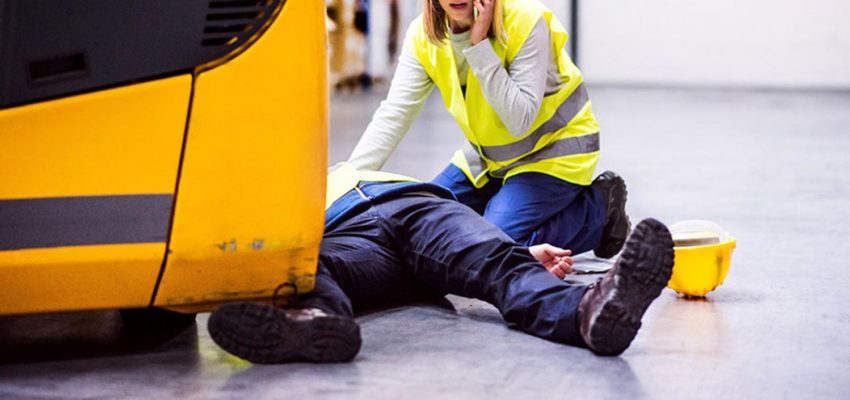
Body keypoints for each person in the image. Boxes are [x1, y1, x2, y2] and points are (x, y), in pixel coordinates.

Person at [207, 164, 674, 363]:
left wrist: (521, 249)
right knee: (309, 266)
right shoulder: (301, 178)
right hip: (348, 232)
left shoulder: (354, 171)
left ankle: (590, 312)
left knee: (498, 260)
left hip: (417, 207)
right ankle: (319, 325)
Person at [346, 0, 628, 257]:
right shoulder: (422, 35)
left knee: (489, 249)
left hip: (553, 152)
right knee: (422, 223)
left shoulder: (524, 18)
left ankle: (598, 213)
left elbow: (519, 121)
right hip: (487, 158)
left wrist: (480, 47)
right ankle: (497, 211)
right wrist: (348, 180)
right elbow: (395, 112)